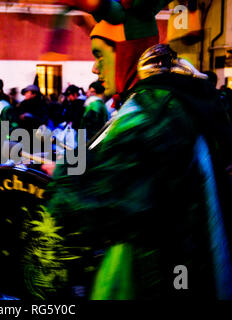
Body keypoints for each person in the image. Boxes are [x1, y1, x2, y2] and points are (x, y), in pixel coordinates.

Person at [44, 0, 232, 300]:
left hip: (162, 273)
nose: (94, 67)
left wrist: (62, 174)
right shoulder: (174, 99)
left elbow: (89, 199)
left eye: (98, 55)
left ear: (124, 53)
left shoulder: (151, 107)